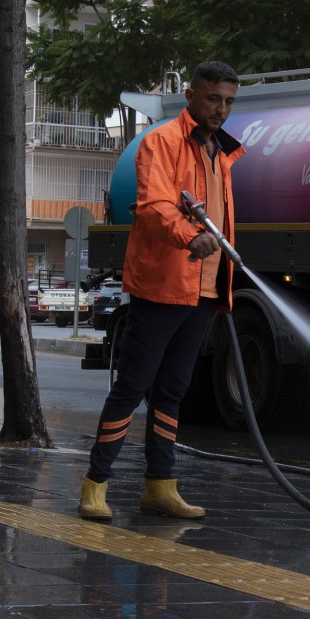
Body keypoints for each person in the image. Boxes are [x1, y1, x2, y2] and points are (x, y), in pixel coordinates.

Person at [78, 61, 244, 520]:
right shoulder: (162, 141)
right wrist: (191, 236)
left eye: (229, 101)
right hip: (163, 286)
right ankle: (95, 484)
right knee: (132, 387)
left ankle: (160, 485)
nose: (221, 109)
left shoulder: (221, 152)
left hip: (203, 289)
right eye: (214, 99)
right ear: (190, 95)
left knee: (173, 390)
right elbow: (153, 207)